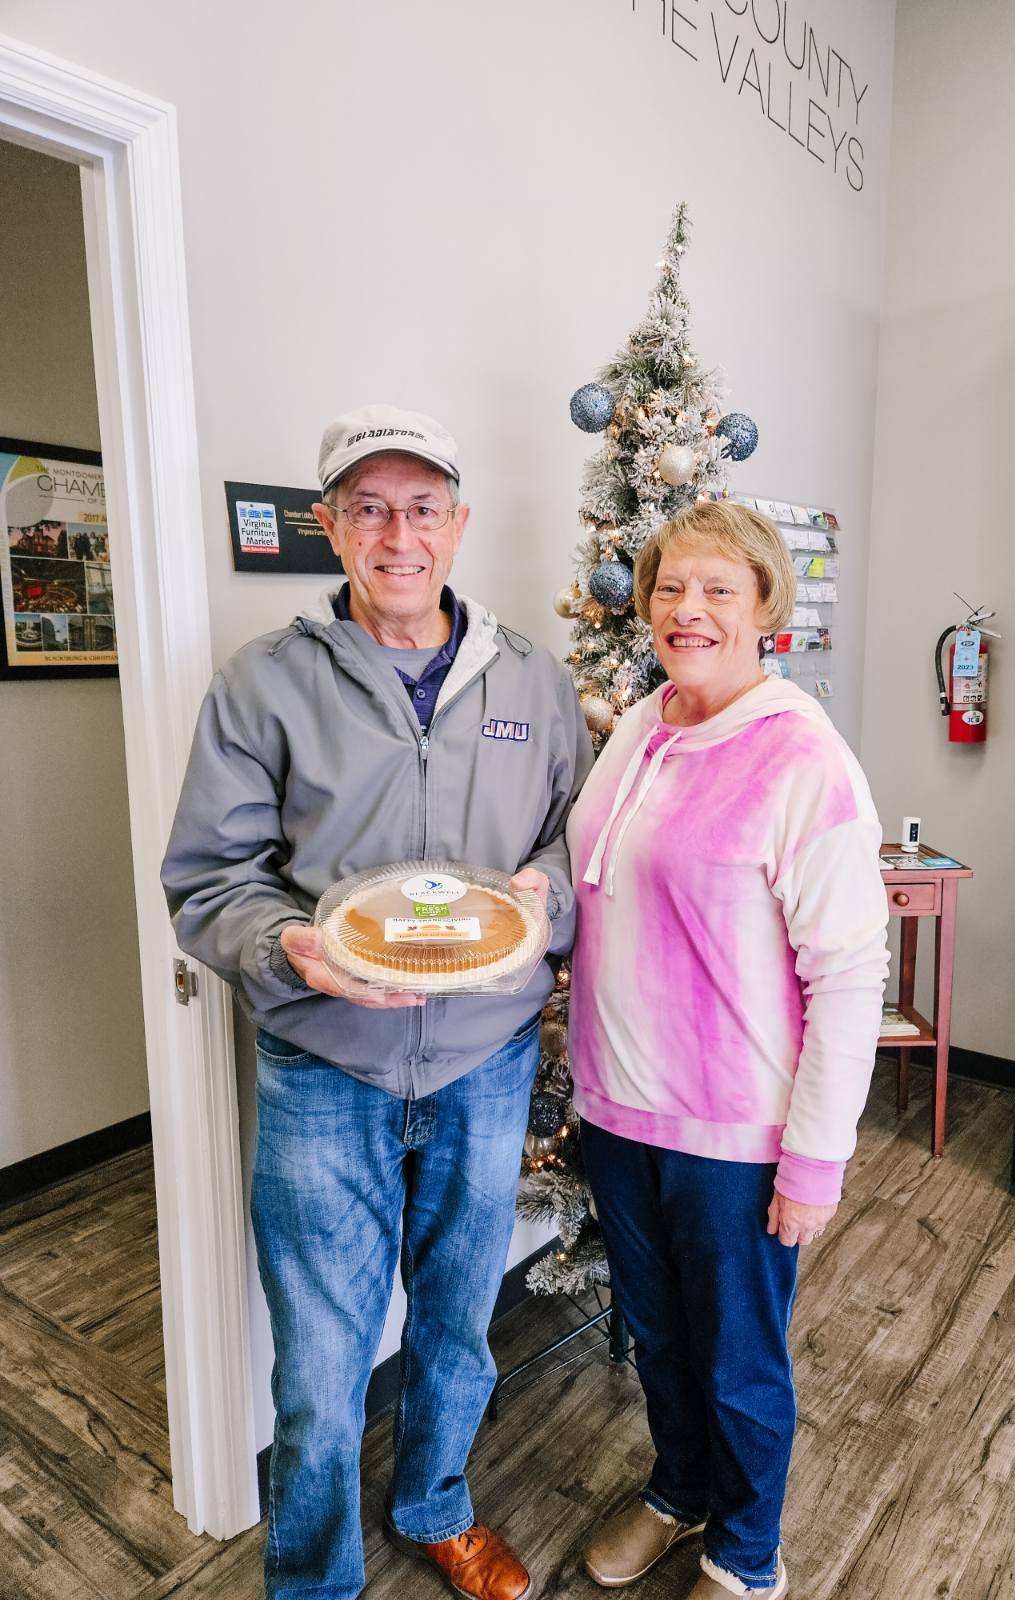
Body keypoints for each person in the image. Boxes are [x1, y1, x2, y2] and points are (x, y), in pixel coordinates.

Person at [161, 405, 592, 1600]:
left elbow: (575, 841)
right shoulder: (264, 683)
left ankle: (435, 1504)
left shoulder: (533, 678)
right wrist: (288, 945)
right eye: (368, 508)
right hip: (325, 1067)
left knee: (456, 1323)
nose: (398, 535)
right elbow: (210, 877)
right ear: (329, 526)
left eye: (421, 508)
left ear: (458, 523)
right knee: (318, 1363)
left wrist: (546, 901)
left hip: (485, 1064)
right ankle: (314, 1575)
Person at [566, 500, 889, 1600]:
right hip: (619, 1112)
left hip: (735, 1133)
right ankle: (680, 1492)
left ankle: (748, 1558)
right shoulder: (639, 725)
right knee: (658, 1338)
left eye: (717, 589)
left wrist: (814, 1160)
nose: (687, 608)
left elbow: (848, 977)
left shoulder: (804, 759)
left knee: (740, 1361)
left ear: (763, 608)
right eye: (669, 587)